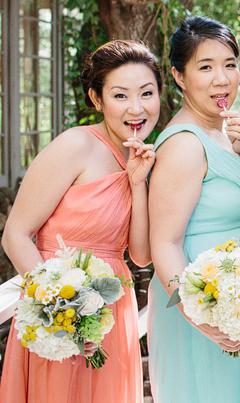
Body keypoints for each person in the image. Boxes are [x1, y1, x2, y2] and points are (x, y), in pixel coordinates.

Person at [0, 40, 159, 402]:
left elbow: (141, 255)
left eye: (146, 93)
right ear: (96, 99)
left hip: (112, 310)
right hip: (58, 308)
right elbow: (16, 235)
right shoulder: (76, 146)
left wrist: (138, 183)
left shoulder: (139, 159)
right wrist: (59, 311)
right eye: (120, 96)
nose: (136, 108)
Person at [146, 16, 240, 403]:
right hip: (205, 307)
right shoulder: (184, 144)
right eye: (205, 67)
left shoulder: (222, 132)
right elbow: (163, 244)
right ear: (179, 77)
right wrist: (198, 314)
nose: (222, 78)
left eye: (230, 64)